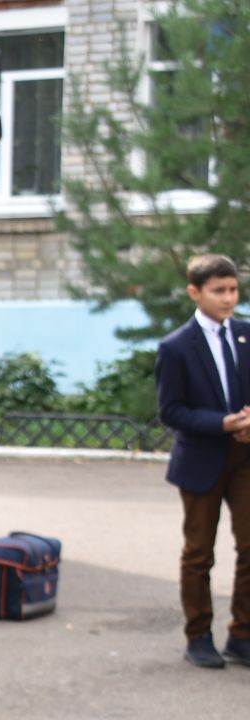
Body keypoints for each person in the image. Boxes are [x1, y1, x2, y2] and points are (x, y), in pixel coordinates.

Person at [155, 252, 250, 669]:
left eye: (233, 290)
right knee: (199, 553)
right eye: (219, 291)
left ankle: (242, 635)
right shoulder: (176, 347)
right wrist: (223, 423)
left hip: (245, 456)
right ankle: (199, 636)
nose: (228, 299)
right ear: (195, 292)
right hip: (201, 460)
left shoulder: (247, 334)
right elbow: (171, 411)